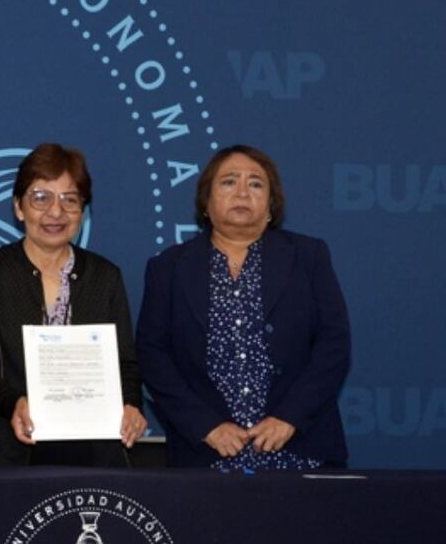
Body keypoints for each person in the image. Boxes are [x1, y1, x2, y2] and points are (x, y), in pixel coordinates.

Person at [136, 145, 350, 469]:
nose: (242, 192)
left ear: (270, 206)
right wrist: (205, 426)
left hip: (299, 448)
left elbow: (333, 345)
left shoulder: (308, 257)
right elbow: (153, 355)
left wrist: (289, 417)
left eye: (255, 184)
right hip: (206, 455)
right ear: (205, 203)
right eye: (228, 182)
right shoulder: (168, 267)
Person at [0, 144, 148, 467]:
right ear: (19, 207)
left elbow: (125, 364)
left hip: (95, 451)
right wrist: (14, 403)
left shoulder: (104, 275)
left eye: (70, 200)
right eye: (41, 197)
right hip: (9, 446)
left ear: (83, 210)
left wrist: (131, 404)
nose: (56, 212)